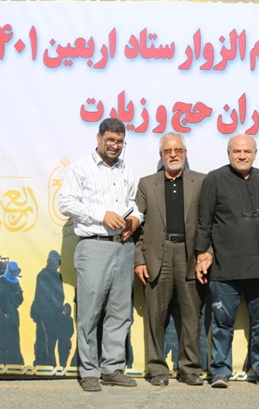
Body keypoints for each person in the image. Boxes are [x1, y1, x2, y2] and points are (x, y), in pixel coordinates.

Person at [59, 117, 142, 392]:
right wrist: (101, 214)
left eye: (120, 141)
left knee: (120, 312)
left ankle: (113, 369)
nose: (115, 145)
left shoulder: (127, 171)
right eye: (110, 140)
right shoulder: (79, 169)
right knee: (90, 313)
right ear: (98, 138)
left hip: (123, 246)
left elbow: (134, 204)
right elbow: (65, 203)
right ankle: (89, 371)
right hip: (94, 245)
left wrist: (136, 219)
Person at [195, 134, 259, 389]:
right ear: (228, 153)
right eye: (237, 151)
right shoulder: (215, 179)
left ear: (255, 153)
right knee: (222, 323)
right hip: (225, 267)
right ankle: (220, 370)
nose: (242, 156)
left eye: (247, 151)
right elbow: (204, 221)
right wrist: (202, 254)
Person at [134, 132, 206, 387]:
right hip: (157, 256)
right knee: (155, 316)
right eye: (167, 151)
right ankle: (157, 370)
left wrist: (205, 254)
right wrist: (139, 260)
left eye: (178, 150)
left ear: (185, 153)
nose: (173, 155)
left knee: (191, 316)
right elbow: (138, 225)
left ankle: (190, 369)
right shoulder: (147, 184)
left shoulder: (201, 181)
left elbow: (208, 222)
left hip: (190, 256)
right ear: (161, 154)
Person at [31, 250, 65, 366]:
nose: (57, 264)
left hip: (54, 314)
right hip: (45, 314)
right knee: (44, 340)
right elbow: (41, 295)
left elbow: (60, 295)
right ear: (49, 261)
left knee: (51, 340)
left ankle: (49, 364)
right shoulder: (43, 275)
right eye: (55, 261)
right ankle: (44, 364)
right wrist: (43, 312)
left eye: (58, 261)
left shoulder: (57, 275)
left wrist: (59, 309)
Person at [0, 261, 24, 365]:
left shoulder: (16, 281)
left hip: (14, 314)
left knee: (14, 339)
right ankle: (1, 363)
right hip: (5, 313)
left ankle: (14, 363)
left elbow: (20, 300)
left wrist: (18, 295)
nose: (15, 273)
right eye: (13, 271)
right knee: (3, 339)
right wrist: (6, 310)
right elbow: (0, 297)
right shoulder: (2, 279)